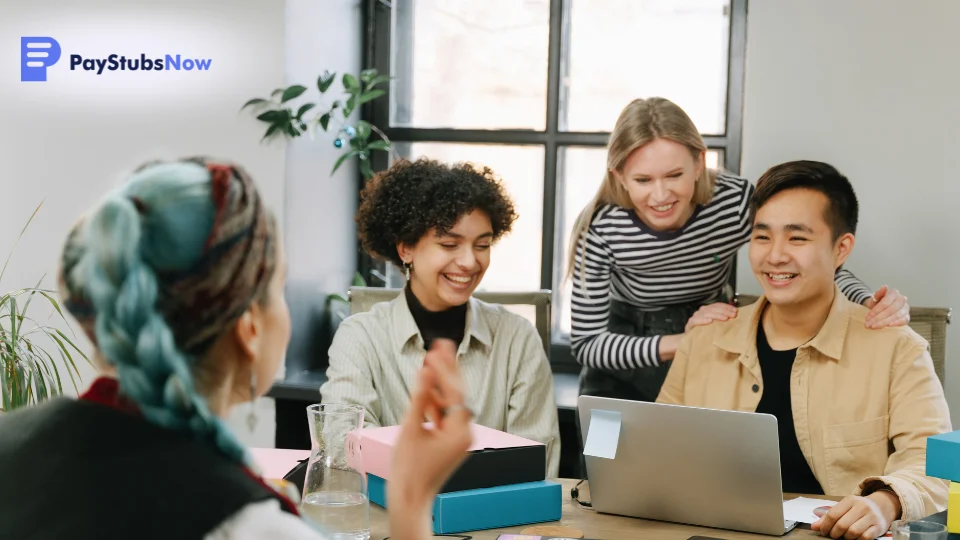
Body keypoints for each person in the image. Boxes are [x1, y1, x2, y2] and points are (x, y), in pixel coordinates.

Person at [0, 157, 472, 540]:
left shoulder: (13, 443)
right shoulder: (248, 525)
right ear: (249, 327)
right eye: (278, 290)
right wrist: (411, 503)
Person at [656, 161, 951, 540]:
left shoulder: (898, 348)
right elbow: (657, 450)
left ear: (841, 248)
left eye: (797, 238)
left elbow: (933, 465)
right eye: (762, 237)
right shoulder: (703, 340)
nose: (775, 256)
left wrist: (884, 502)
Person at [567, 97, 911, 404]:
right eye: (643, 180)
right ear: (620, 176)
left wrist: (869, 301)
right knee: (607, 468)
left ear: (699, 162)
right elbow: (588, 345)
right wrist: (684, 341)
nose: (660, 196)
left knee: (700, 464)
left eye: (674, 175)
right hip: (626, 351)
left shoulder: (733, 202)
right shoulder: (598, 228)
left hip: (708, 335)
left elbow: (814, 263)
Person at [320, 157, 561, 478]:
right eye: (449, 244)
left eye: (483, 245)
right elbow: (342, 444)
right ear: (406, 248)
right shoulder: (360, 337)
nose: (469, 261)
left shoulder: (518, 338)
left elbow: (536, 461)